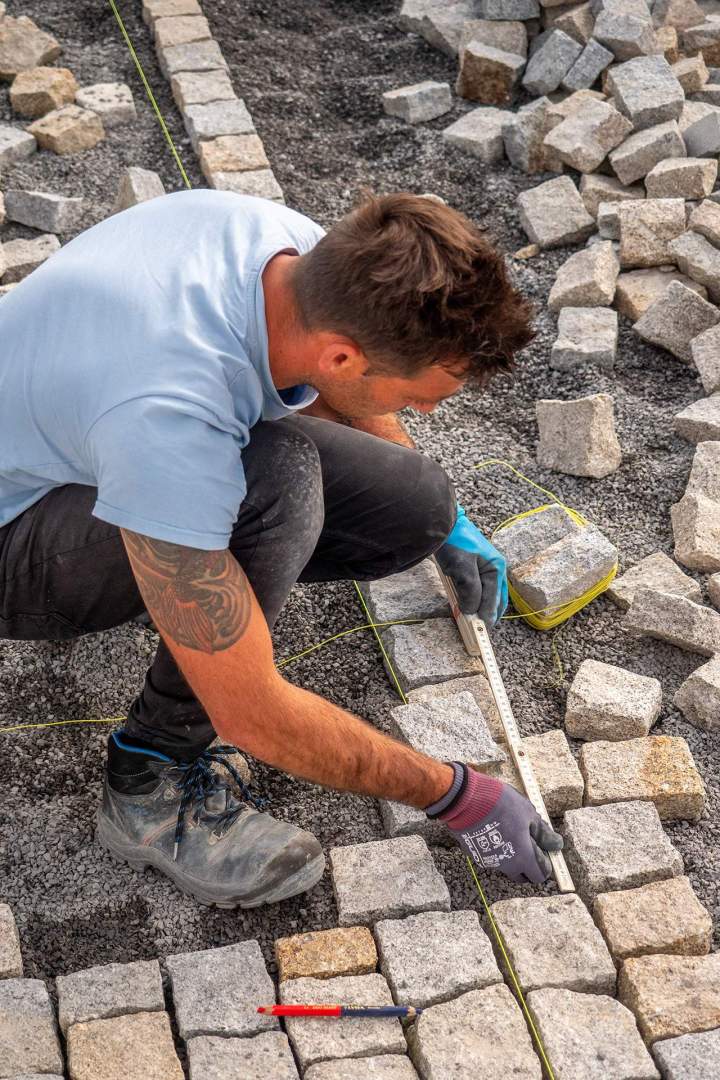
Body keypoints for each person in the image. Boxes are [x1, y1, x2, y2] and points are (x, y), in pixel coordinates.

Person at [0, 189, 563, 908]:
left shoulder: (290, 251)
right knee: (275, 483)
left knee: (413, 502)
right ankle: (147, 782)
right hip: (12, 534)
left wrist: (450, 520)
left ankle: (180, 573)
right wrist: (455, 793)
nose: (420, 411)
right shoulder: (170, 416)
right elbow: (252, 716)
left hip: (79, 438)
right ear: (341, 354)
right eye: (421, 395)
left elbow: (337, 392)